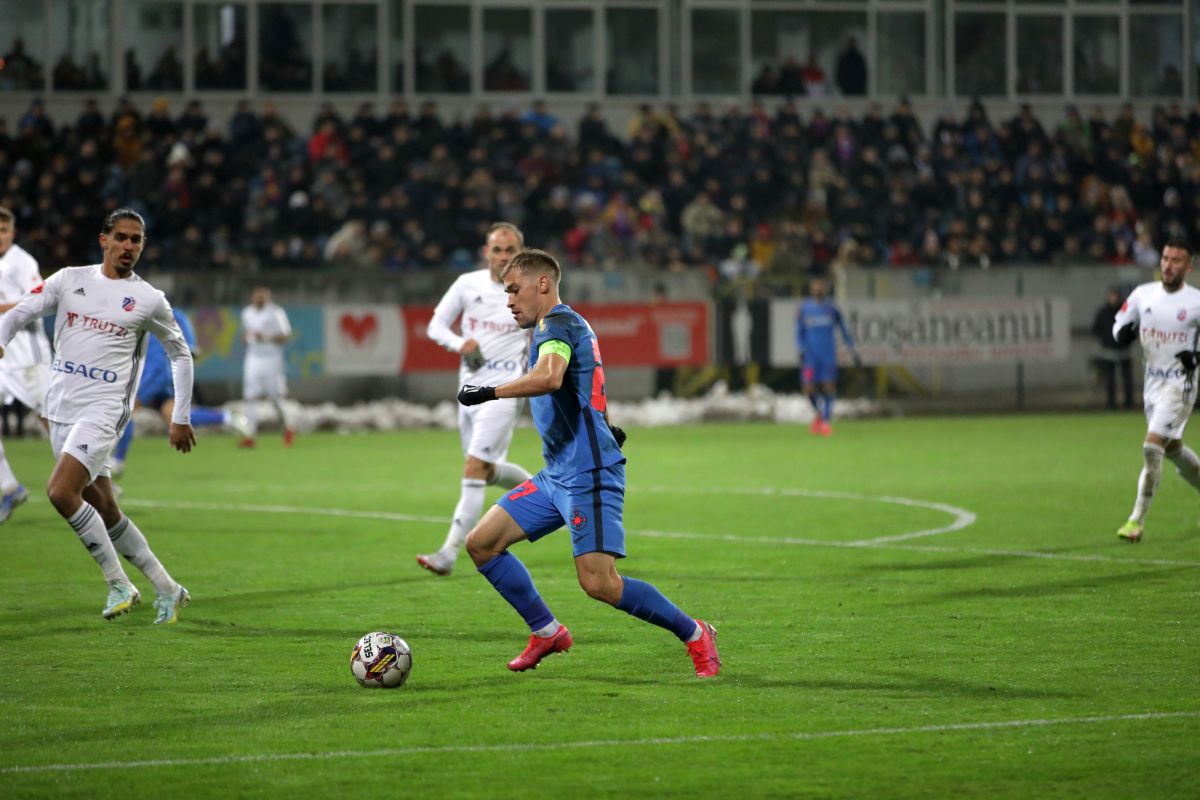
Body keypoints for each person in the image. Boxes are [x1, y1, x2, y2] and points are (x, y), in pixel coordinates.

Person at [456, 248, 721, 678]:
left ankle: (694, 633)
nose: (509, 300)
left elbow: (550, 377)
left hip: (587, 474)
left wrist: (488, 392)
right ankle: (546, 630)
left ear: (543, 284)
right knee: (482, 543)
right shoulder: (561, 325)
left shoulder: (557, 325)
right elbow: (588, 386)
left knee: (599, 583)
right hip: (557, 473)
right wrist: (605, 424)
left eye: (514, 289)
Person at [0, 208, 194, 622]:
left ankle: (118, 582)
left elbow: (181, 355)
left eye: (136, 240)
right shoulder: (70, 280)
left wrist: (180, 416)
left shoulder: (148, 299)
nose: (128, 246)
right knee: (103, 506)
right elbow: (19, 312)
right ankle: (168, 588)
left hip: (104, 411)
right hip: (61, 407)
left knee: (60, 492)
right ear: (103, 240)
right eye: (121, 237)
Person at [417, 223, 535, 576]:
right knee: (485, 471)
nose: (503, 256)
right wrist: (460, 344)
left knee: (472, 469)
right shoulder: (468, 285)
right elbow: (435, 326)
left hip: (505, 393)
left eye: (510, 250)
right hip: (468, 391)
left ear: (521, 253)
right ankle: (547, 496)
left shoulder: (530, 291)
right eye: (497, 249)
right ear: (486, 251)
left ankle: (448, 552)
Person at [1113, 239, 1200, 543]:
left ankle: (1135, 521)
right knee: (1172, 449)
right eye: (1165, 258)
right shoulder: (1142, 294)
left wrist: (1197, 357)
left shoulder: (1196, 302)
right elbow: (1120, 323)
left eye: (1177, 260)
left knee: (1152, 447)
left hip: (1180, 386)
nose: (1168, 264)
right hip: (1152, 385)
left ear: (1188, 266)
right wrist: (1121, 334)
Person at [110, 304, 246, 477]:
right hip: (160, 374)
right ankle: (226, 417)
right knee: (173, 416)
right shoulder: (172, 315)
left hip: (153, 374)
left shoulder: (148, 314)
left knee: (125, 410)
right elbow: (192, 349)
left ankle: (117, 462)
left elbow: (189, 352)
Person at [0, 207, 51, 521]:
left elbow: (41, 301)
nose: (0, 237)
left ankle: (96, 481)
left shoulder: (22, 262)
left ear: (12, 233)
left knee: (55, 423)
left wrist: (3, 307)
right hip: (2, 357)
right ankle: (8, 486)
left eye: (4, 231)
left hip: (29, 359)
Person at [797, 277, 860, 436]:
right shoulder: (805, 309)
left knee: (828, 387)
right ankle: (819, 415)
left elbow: (844, 330)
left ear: (825, 288)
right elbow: (799, 332)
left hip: (827, 355)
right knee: (808, 388)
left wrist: (852, 349)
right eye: (815, 285)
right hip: (811, 356)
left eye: (820, 286)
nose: (818, 288)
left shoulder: (832, 309)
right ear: (811, 289)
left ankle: (825, 422)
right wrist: (801, 349)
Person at [239, 286, 294, 447]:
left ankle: (288, 426)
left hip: (272, 358)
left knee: (276, 396)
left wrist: (267, 337)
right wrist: (246, 338)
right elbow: (247, 334)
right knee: (250, 396)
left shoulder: (276, 313)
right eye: (256, 297)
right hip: (253, 357)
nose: (259, 300)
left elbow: (285, 336)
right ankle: (250, 434)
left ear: (267, 298)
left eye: (262, 297)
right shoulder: (247, 313)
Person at [1092, 287, 1135, 411]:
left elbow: (1133, 329)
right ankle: (1111, 404)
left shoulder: (1125, 312)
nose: (1114, 299)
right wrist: (1105, 340)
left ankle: (1128, 404)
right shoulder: (1103, 313)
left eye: (1115, 296)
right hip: (1108, 352)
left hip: (1124, 351)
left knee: (1127, 380)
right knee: (1110, 380)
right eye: (1112, 296)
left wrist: (1127, 340)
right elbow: (1095, 329)